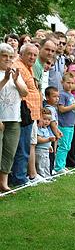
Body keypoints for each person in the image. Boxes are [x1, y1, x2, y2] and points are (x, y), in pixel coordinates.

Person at [9, 43, 41, 187]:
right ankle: (19, 178)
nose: (32, 57)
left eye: (35, 55)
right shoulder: (18, 67)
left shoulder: (28, 67)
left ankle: (21, 176)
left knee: (26, 146)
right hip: (24, 113)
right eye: (29, 54)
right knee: (22, 147)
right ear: (21, 54)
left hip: (31, 113)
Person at [0, 43, 28, 192]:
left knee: (9, 152)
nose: (8, 59)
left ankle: (3, 182)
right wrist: (5, 79)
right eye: (4, 56)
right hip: (0, 118)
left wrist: (16, 80)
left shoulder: (15, 73)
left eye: (11, 57)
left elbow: (24, 93)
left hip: (14, 118)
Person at [54, 72, 75, 175]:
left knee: (67, 146)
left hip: (70, 124)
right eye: (68, 82)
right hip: (64, 125)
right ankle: (58, 167)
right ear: (62, 82)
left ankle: (62, 165)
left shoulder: (70, 95)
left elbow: (70, 109)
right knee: (63, 146)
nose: (70, 85)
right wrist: (73, 106)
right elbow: (61, 109)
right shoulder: (62, 95)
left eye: (72, 83)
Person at [35, 108, 56, 179]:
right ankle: (41, 177)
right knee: (41, 165)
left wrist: (49, 146)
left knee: (47, 164)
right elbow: (38, 139)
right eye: (44, 119)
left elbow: (46, 140)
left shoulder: (46, 129)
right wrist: (48, 139)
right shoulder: (39, 128)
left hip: (46, 150)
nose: (46, 121)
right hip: (40, 151)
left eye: (49, 120)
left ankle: (48, 176)